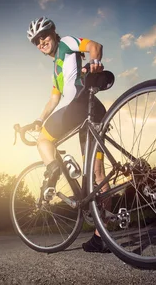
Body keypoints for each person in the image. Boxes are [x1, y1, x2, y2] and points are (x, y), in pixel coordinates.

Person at [27, 16, 110, 253]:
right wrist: (39, 119)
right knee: (97, 173)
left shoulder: (67, 43)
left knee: (43, 141)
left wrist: (94, 63)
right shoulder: (57, 69)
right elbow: (54, 98)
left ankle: (54, 170)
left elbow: (96, 47)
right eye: (36, 41)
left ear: (53, 33)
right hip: (93, 110)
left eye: (43, 35)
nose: (40, 41)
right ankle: (100, 237)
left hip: (76, 107)